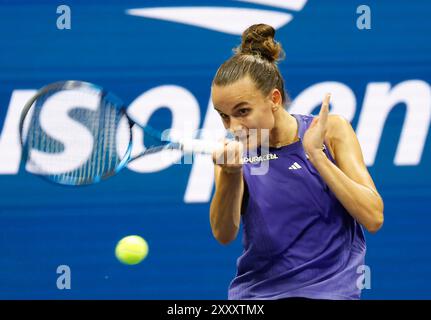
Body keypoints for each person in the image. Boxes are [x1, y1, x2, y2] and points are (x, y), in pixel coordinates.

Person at [209, 24, 384, 300]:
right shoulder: (234, 155)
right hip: (256, 297)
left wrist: (316, 155)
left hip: (329, 294)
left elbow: (373, 217)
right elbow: (223, 233)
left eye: (243, 111)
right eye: (224, 116)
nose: (234, 127)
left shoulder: (331, 131)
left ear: (274, 99)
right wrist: (230, 173)